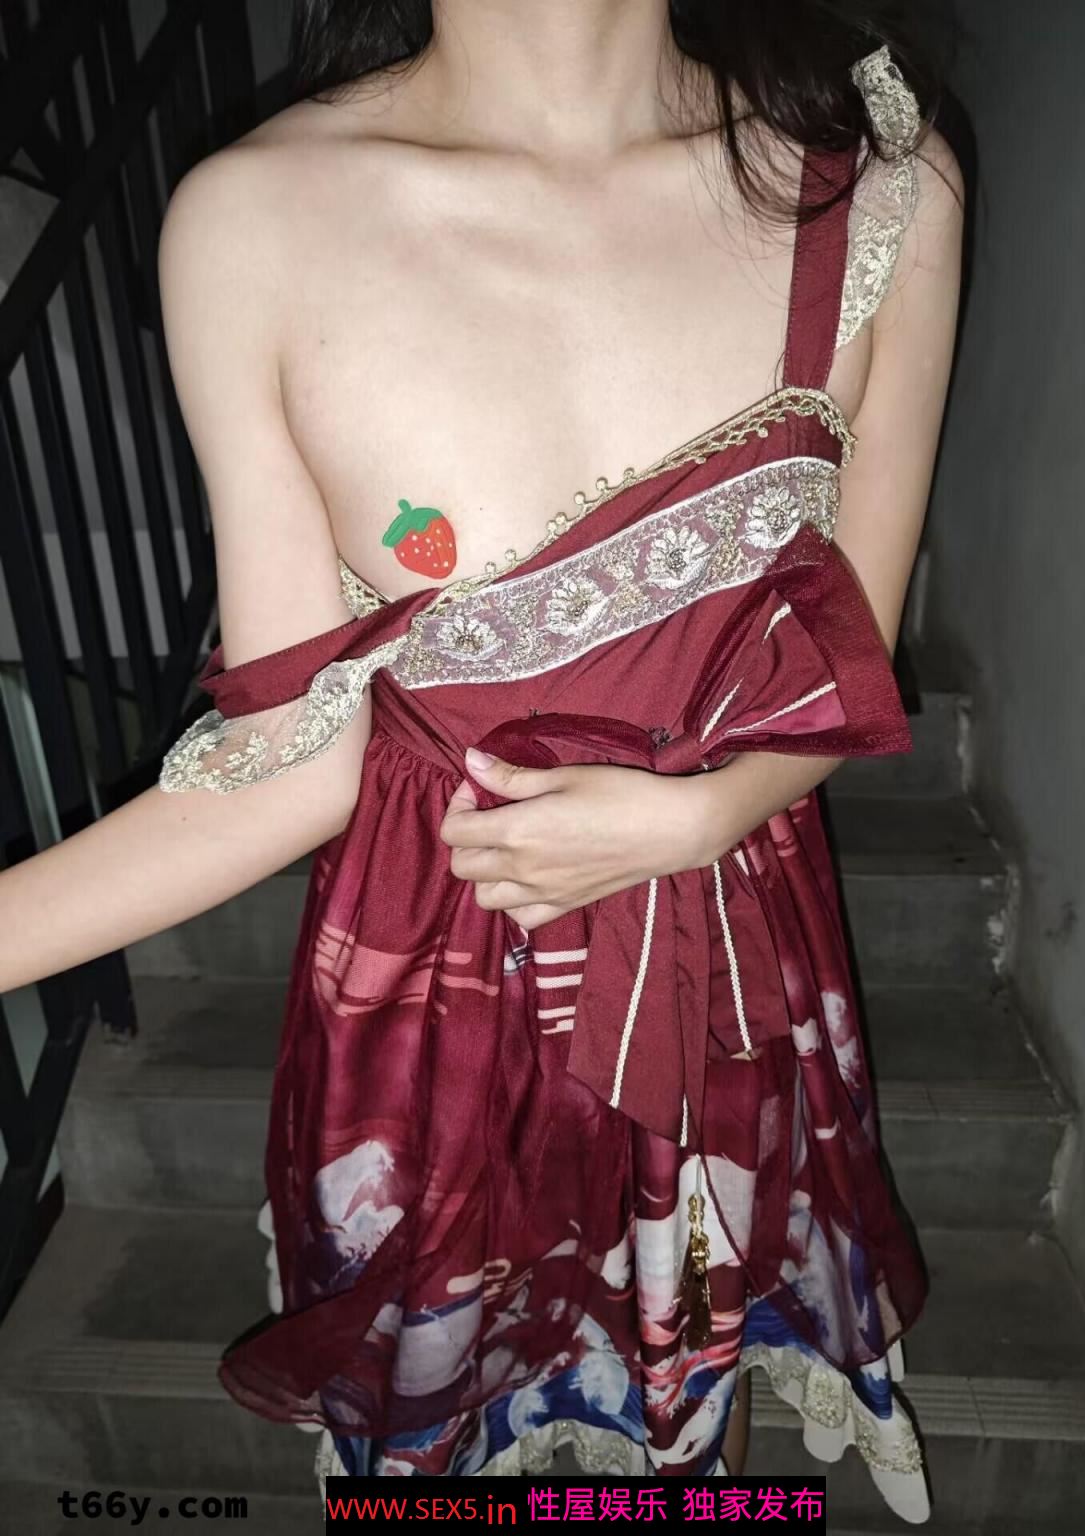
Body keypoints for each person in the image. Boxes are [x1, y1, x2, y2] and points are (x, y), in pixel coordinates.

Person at [0, 0, 962, 1518]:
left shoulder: (878, 183)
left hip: (721, 974)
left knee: (688, 1444)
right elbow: (292, 764)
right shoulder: (255, 221)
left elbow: (849, 647)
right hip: (428, 999)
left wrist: (700, 814)